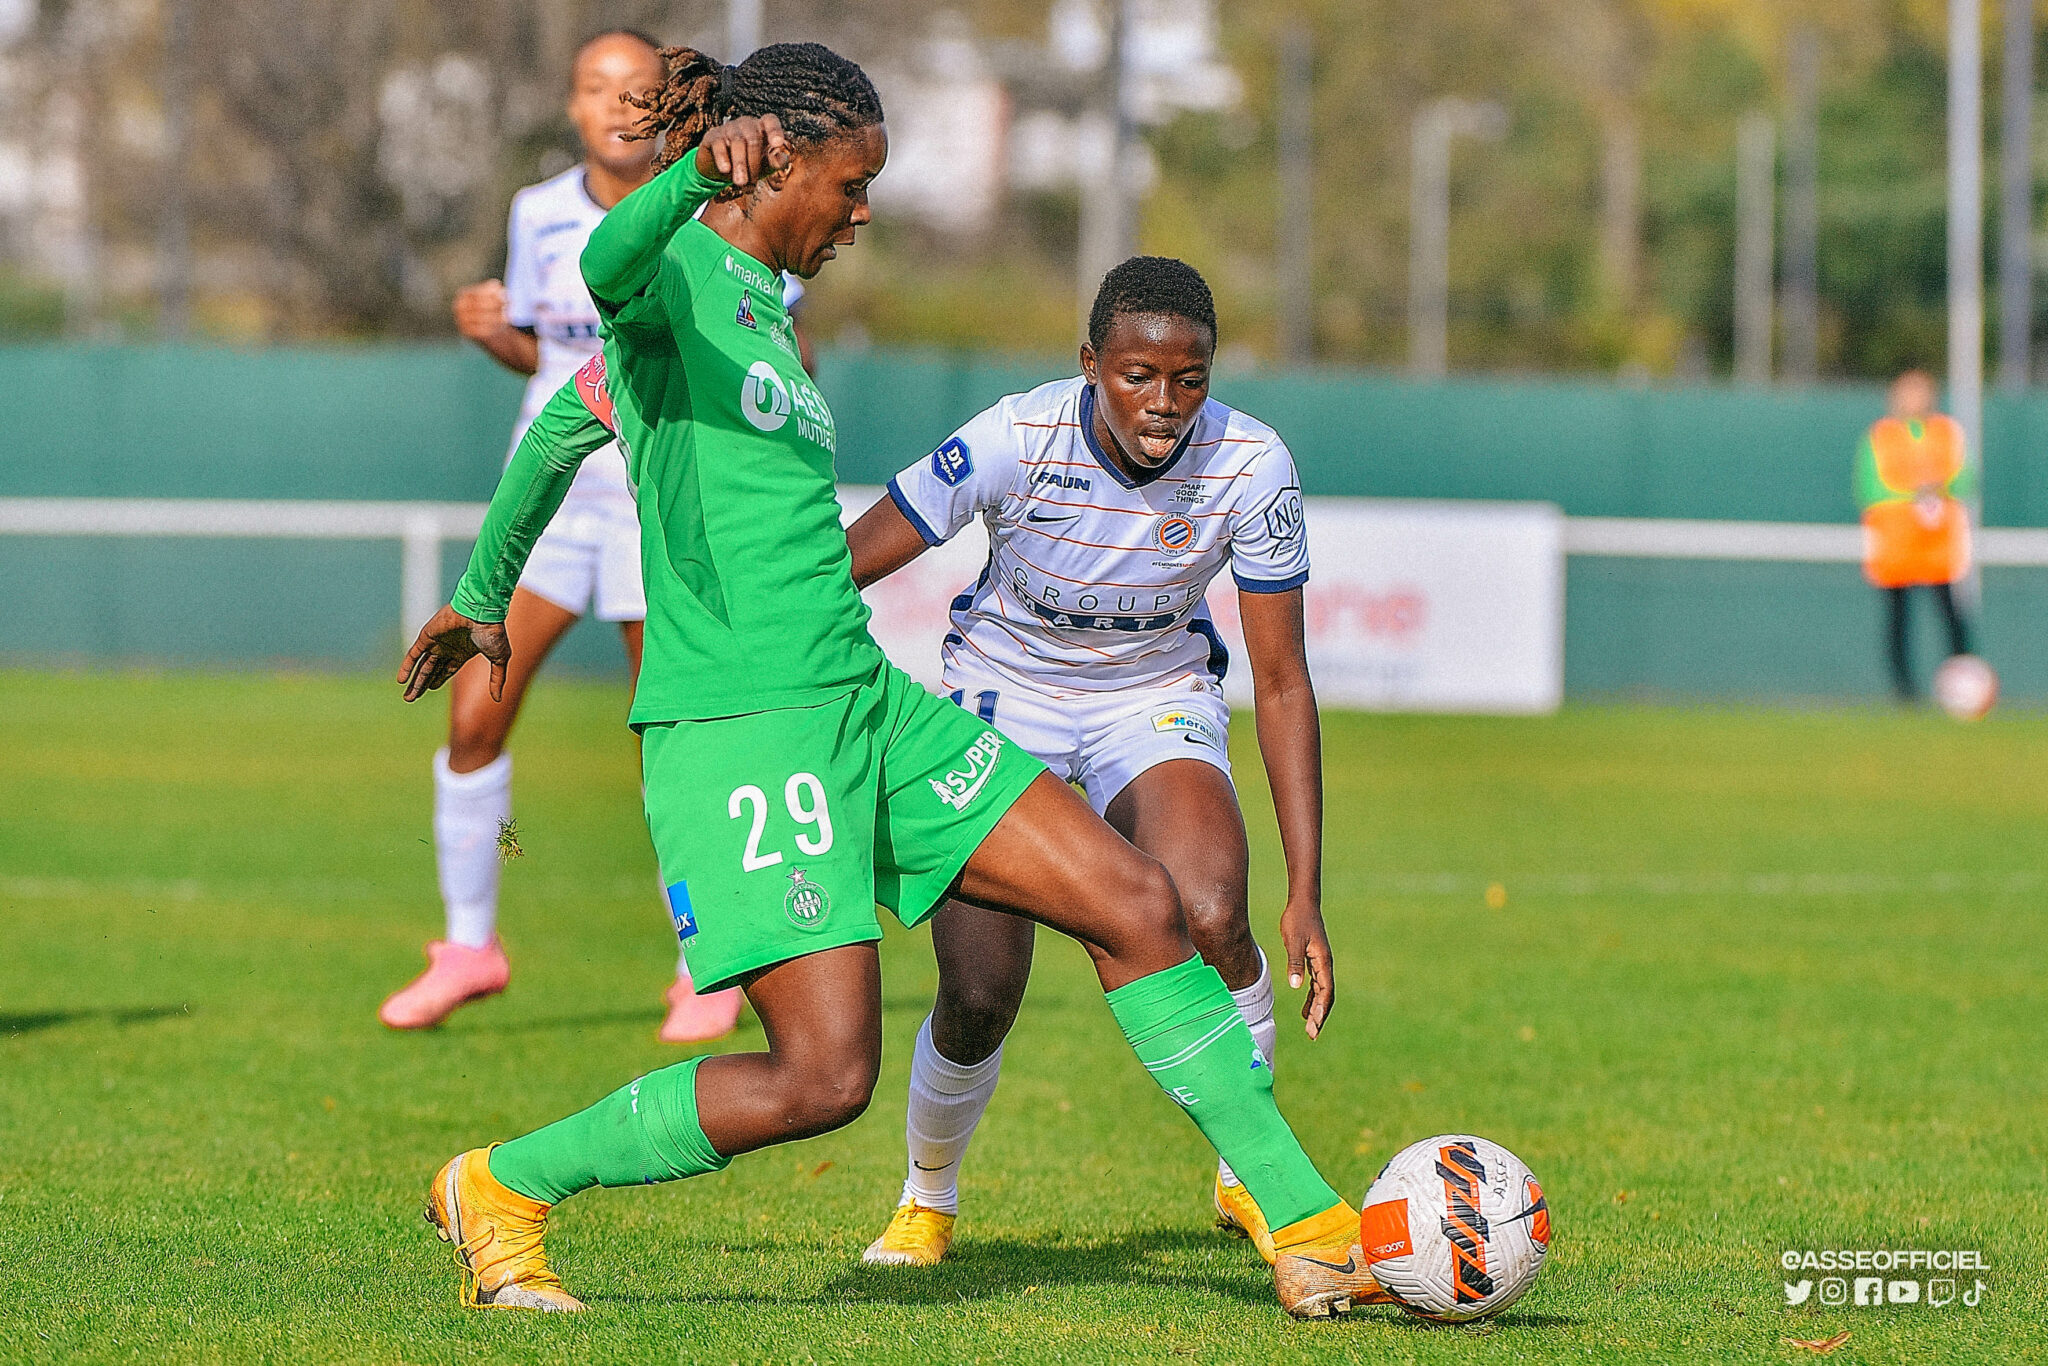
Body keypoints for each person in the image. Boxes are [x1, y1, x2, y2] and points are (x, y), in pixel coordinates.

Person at [396, 42, 1387, 1320]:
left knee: (1137, 903)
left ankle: (1308, 1227)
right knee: (821, 1077)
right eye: (850, 182)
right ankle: (501, 1185)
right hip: (741, 727)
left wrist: (483, 588)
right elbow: (599, 273)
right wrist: (488, 593)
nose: (862, 211)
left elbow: (567, 425)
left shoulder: (758, 304)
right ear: (777, 163)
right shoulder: (673, 272)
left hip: (864, 700)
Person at [843, 256, 1330, 1270]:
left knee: (1210, 911)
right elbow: (856, 555)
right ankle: (927, 1197)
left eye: (1188, 379)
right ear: (1088, 365)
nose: (1163, 403)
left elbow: (1281, 681)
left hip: (1149, 697)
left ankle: (1249, 1180)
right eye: (1135, 376)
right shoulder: (1014, 435)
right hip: (999, 697)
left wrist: (1307, 894)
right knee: (978, 987)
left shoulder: (1253, 461)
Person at [380, 29, 738, 1042]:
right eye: (595, 87)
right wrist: (496, 332)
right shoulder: (535, 212)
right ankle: (467, 945)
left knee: (663, 740)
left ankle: (705, 961)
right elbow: (554, 357)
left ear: (664, 108)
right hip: (552, 500)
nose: (618, 102)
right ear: (571, 108)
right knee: (471, 720)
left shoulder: (707, 213)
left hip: (652, 499)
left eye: (637, 87)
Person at [1856, 369, 1974, 702]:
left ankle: (1962, 686)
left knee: (1952, 616)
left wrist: (1941, 488)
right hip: (1896, 547)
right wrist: (1916, 495)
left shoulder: (1947, 433)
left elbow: (1966, 478)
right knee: (1899, 619)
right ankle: (1904, 690)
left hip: (1938, 547)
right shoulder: (1881, 436)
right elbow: (1869, 488)